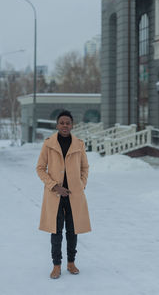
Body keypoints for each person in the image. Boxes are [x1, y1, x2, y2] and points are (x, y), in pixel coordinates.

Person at [36, 110, 91, 279]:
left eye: (68, 123)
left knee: (73, 232)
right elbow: (40, 168)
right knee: (56, 231)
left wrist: (81, 184)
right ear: (57, 125)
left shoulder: (79, 144)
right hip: (55, 196)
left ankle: (71, 263)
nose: (65, 125)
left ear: (72, 125)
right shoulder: (48, 144)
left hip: (75, 195)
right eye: (62, 122)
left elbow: (85, 167)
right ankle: (56, 265)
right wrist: (54, 186)